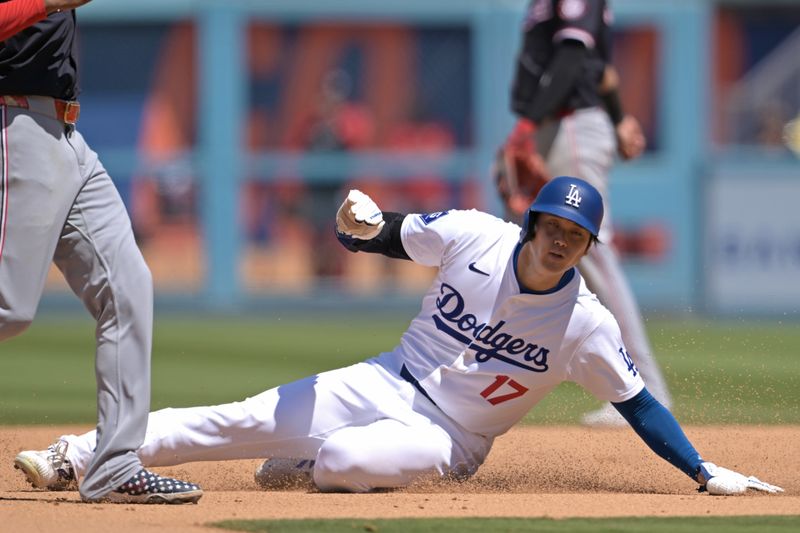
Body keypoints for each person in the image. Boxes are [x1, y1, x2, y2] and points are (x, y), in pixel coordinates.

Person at [13, 179, 782, 497]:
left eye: (576, 236)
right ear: (533, 223)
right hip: (386, 378)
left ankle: (312, 459)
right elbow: (382, 233)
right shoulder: (475, 235)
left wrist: (703, 470)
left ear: (587, 248)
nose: (560, 242)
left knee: (345, 459)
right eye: (553, 226)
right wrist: (355, 227)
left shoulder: (584, 323)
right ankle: (79, 453)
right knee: (238, 416)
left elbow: (640, 403)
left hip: (451, 439)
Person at [2, 1, 201, 503]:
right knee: (10, 309)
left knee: (128, 288)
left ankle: (114, 465)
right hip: (16, 121)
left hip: (67, 134)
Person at [496, 0, 670, 425]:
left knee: (591, 249)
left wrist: (527, 127)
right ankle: (498, 368)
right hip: (558, 123)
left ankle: (645, 389)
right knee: (533, 244)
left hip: (568, 124)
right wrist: (619, 117)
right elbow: (602, 68)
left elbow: (575, 56)